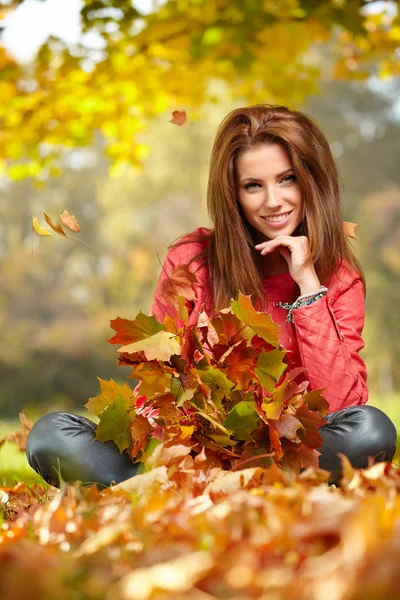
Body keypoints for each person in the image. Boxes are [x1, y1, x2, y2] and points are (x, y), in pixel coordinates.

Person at [26, 104, 397, 488]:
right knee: (51, 434)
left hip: (287, 451)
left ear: (311, 181)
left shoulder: (337, 278)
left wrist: (307, 285)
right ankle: (218, 485)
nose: (273, 201)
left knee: (371, 431)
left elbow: (342, 407)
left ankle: (188, 488)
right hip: (190, 450)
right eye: (253, 185)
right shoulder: (192, 260)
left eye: (287, 179)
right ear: (232, 193)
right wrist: (176, 440)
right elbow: (158, 378)